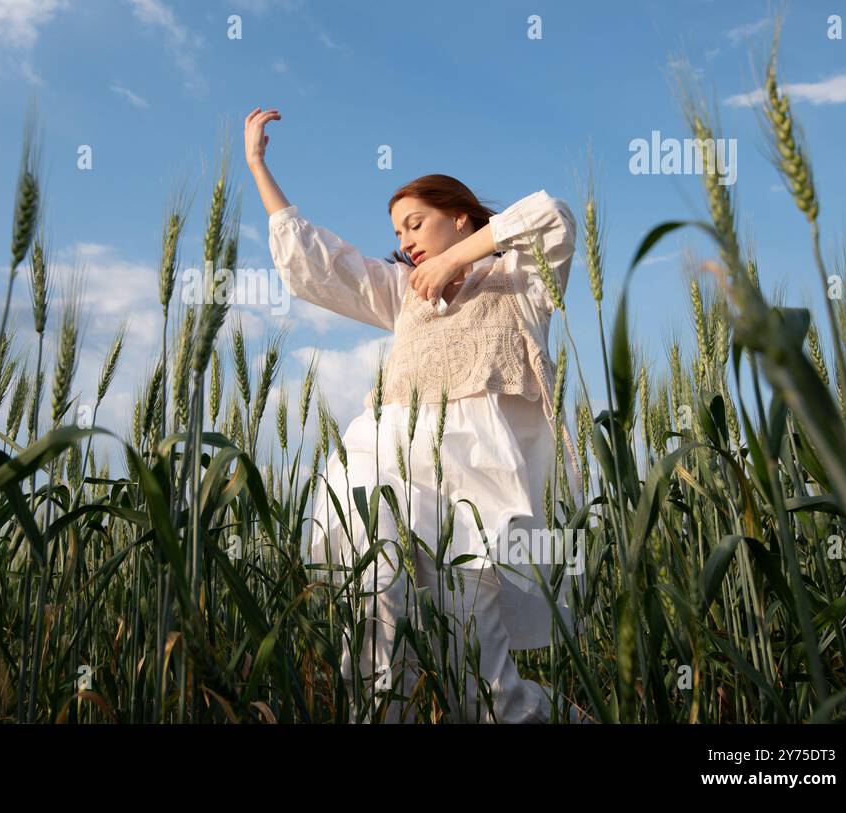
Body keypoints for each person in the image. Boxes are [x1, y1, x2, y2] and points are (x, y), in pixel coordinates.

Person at [244, 107, 590, 724]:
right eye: (398, 232)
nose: (405, 241)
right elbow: (318, 266)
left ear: (460, 217)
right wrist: (258, 166)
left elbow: (553, 216)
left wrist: (460, 260)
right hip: (391, 462)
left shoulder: (519, 280)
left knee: (478, 680)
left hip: (476, 487)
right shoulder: (402, 291)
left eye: (415, 223)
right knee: (375, 598)